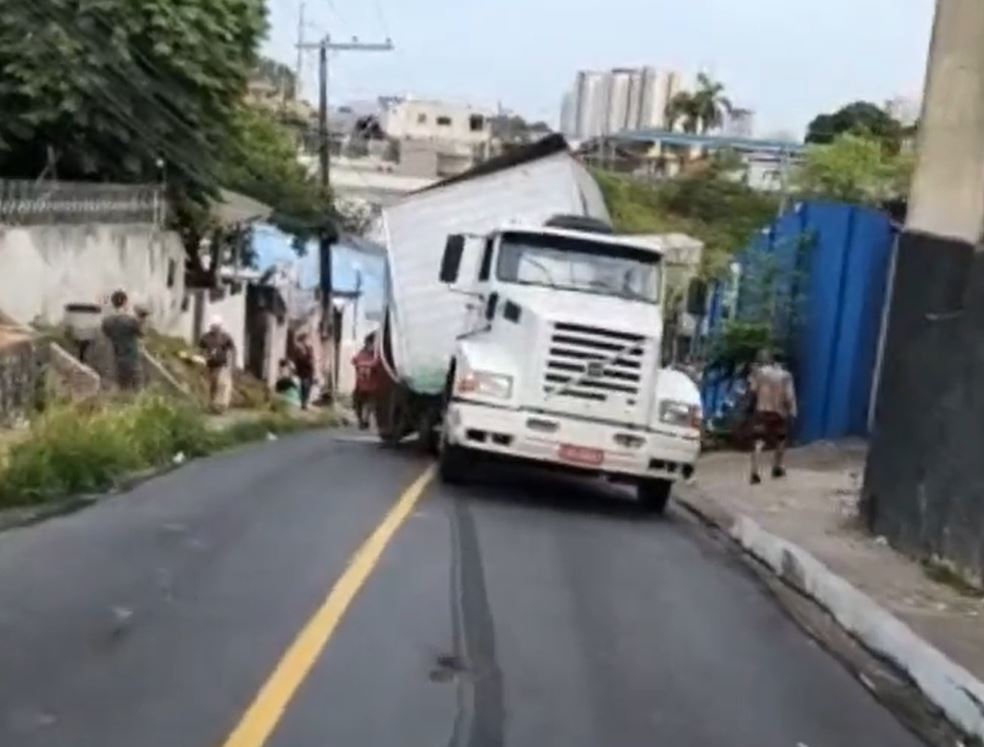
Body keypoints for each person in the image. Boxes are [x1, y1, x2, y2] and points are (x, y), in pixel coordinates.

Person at [747, 349, 797, 484]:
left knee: (759, 441)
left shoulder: (760, 373)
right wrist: (792, 412)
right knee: (781, 439)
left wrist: (750, 407)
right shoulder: (786, 376)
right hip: (778, 412)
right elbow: (789, 396)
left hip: (761, 410)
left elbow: (753, 390)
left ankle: (754, 472)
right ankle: (776, 467)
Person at [101, 289, 145, 392]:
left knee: (122, 388)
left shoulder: (107, 322)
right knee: (138, 388)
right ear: (125, 302)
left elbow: (106, 334)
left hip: (116, 358)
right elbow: (142, 334)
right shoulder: (131, 321)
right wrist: (141, 319)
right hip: (132, 358)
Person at [199, 315, 235, 413]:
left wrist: (232, 364)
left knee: (222, 384)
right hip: (211, 365)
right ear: (211, 327)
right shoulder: (206, 337)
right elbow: (201, 349)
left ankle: (220, 405)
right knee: (213, 385)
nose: (216, 329)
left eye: (218, 326)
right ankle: (213, 405)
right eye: (214, 326)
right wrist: (204, 358)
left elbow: (232, 350)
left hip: (223, 365)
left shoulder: (225, 337)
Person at [351, 333, 378, 430]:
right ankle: (362, 420)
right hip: (361, 385)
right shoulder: (362, 353)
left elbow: (377, 363)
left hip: (372, 386)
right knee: (359, 403)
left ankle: (365, 419)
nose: (374, 345)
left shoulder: (377, 354)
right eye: (372, 343)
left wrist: (364, 364)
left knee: (369, 403)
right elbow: (354, 360)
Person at [292, 333, 316, 410]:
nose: (307, 341)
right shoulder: (299, 349)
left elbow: (312, 358)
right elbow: (299, 359)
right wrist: (308, 360)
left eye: (307, 340)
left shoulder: (309, 348)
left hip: (310, 370)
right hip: (303, 371)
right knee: (304, 387)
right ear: (302, 341)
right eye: (305, 340)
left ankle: (305, 402)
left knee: (309, 387)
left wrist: (312, 364)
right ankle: (303, 403)